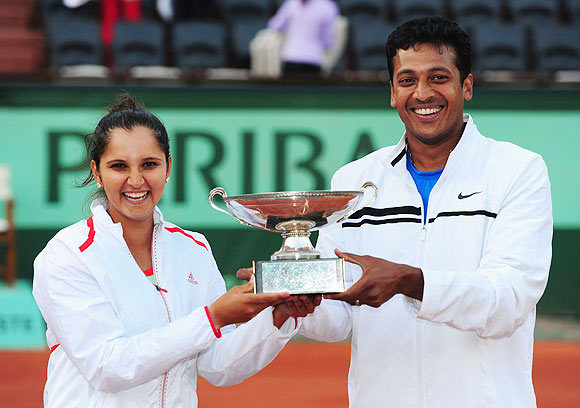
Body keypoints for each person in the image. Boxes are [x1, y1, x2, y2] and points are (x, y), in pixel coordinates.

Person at [286, 17, 553, 407]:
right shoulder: (354, 179)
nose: (423, 93)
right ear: (392, 92)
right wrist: (299, 300)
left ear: (467, 86)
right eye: (407, 80)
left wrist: (412, 282)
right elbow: (339, 320)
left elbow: (507, 301)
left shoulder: (518, 170)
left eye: (439, 78)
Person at [32, 94, 317, 407]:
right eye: (118, 166)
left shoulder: (193, 248)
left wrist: (278, 317)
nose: (136, 180)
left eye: (149, 164)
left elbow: (218, 365)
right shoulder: (67, 254)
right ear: (97, 172)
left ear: (168, 167)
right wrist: (212, 318)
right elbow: (106, 367)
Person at [267, 0, 339, 76]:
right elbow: (328, 41)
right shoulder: (328, 6)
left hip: (293, 57)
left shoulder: (291, 3)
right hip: (312, 59)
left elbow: (275, 26)